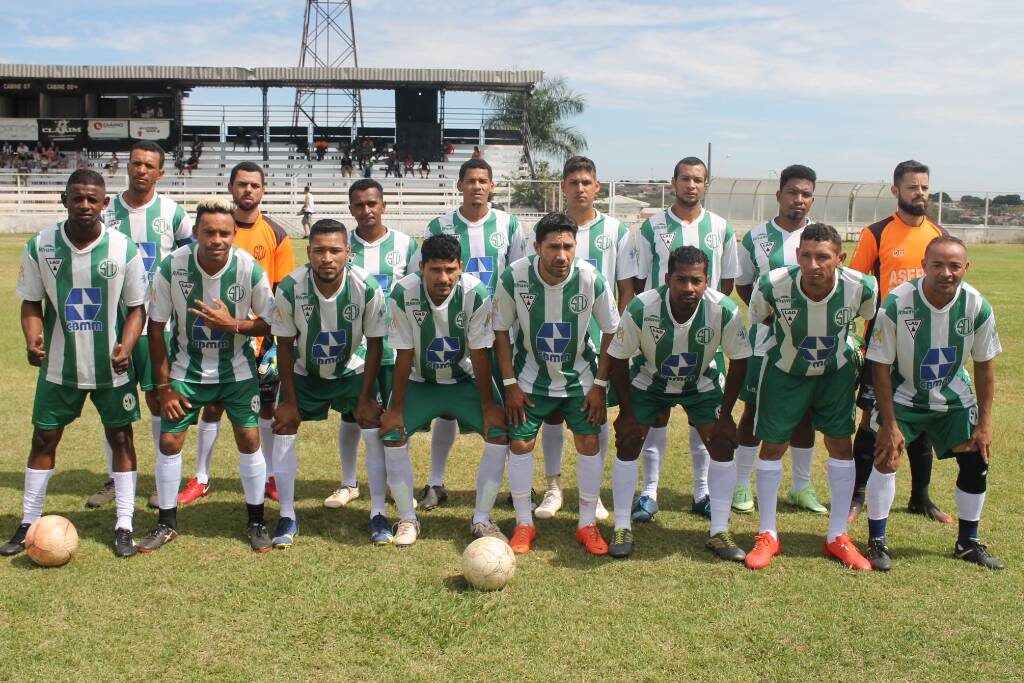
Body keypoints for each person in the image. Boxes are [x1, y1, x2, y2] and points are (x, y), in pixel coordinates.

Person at [1, 170, 147, 559]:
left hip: (111, 368)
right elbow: (31, 301)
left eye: (92, 199)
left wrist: (126, 347)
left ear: (104, 204)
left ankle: (124, 524)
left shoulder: (123, 249)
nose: (85, 205)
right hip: (59, 367)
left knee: (121, 438)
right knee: (43, 439)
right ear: (64, 200)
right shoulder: (41, 246)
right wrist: (33, 337)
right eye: (77, 198)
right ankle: (28, 522)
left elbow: (137, 309)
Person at [137, 196, 275, 553]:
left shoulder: (248, 269)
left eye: (225, 233)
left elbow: (272, 321)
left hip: (238, 371)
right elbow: (155, 328)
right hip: (186, 370)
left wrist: (236, 325)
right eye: (209, 232)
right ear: (196, 232)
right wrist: (164, 387)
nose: (218, 240)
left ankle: (256, 521)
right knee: (170, 442)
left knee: (249, 439)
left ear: (234, 235)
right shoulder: (172, 267)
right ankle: (166, 523)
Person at [865, 236, 1004, 570]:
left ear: (965, 268)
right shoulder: (898, 304)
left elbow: (985, 367)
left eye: (955, 266)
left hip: (954, 395)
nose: (946, 272)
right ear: (924, 266)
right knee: (886, 457)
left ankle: (967, 542)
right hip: (903, 393)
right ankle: (877, 542)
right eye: (937, 264)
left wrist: (984, 425)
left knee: (976, 460)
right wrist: (890, 424)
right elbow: (880, 366)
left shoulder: (977, 306)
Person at [744, 223, 877, 571]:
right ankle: (768, 533)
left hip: (835, 373)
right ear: (797, 255)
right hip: (785, 371)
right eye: (806, 255)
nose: (813, 265)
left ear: (840, 258)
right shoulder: (772, 284)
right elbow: (759, 317)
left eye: (823, 257)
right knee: (772, 446)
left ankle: (837, 536)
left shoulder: (862, 287)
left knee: (840, 445)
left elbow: (865, 319)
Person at [607, 246, 750, 560]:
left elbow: (739, 360)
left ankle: (719, 531)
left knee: (723, 443)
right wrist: (627, 413)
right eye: (681, 280)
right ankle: (621, 525)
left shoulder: (724, 309)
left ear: (706, 280)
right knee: (629, 440)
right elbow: (617, 358)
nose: (689, 288)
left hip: (701, 382)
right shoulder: (641, 308)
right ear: (668, 278)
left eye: (696, 280)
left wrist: (726, 416)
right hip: (650, 380)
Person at [493, 212, 619, 555]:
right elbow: (500, 331)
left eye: (568, 246)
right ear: (537, 247)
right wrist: (509, 385)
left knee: (589, 442)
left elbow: (611, 331)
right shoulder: (514, 277)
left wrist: (600, 385)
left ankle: (587, 524)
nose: (561, 255)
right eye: (553, 247)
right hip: (529, 379)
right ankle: (523, 524)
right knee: (519, 445)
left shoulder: (591, 278)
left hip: (580, 379)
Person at [409, 158, 527, 510]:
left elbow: (518, 276)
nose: (477, 186)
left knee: (508, 408)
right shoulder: (440, 225)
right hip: (452, 331)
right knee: (447, 409)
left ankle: (515, 486)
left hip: (499, 332)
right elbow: (423, 276)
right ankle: (435, 482)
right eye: (471, 180)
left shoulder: (509, 224)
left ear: (492, 186)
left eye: (483, 180)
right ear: (459, 186)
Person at [380, 234, 510, 546]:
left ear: (460, 267)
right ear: (421, 267)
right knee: (393, 434)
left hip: (463, 379)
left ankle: (481, 518)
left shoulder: (476, 293)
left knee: (499, 432)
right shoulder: (402, 293)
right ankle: (407, 519)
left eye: (450, 270)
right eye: (435, 270)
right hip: (419, 380)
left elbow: (480, 354)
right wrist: (395, 409)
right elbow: (404, 354)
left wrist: (490, 405)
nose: (443, 278)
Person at [178, 162, 295, 506]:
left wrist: (270, 343)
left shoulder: (276, 233)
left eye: (255, 185)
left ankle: (270, 474)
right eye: (242, 184)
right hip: (209, 341)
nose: (248, 190)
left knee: (266, 408)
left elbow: (280, 291)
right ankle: (201, 476)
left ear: (263, 191)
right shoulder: (216, 227)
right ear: (230, 187)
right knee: (211, 406)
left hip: (259, 339)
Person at [85, 140, 194, 511]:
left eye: (149, 165)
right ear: (127, 168)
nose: (141, 170)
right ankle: (117, 478)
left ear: (161, 172)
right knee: (115, 403)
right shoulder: (107, 210)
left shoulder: (174, 213)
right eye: (136, 163)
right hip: (111, 325)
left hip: (156, 326)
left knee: (159, 400)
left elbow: (188, 260)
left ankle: (163, 479)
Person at [632, 156, 739, 523]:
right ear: (673, 182)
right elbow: (638, 279)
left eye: (698, 179)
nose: (691, 185)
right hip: (657, 334)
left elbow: (725, 283)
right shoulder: (652, 227)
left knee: (703, 417)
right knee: (656, 414)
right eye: (684, 179)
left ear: (706, 184)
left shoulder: (722, 228)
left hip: (703, 336)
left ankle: (703, 490)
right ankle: (649, 491)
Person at [270, 219, 386, 548]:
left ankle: (378, 512)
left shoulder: (366, 286)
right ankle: (287, 515)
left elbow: (376, 344)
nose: (327, 258)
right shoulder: (291, 287)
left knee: (370, 424)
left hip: (351, 370)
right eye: (319, 250)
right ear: (308, 253)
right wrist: (289, 402)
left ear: (348, 253)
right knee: (284, 426)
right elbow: (284, 345)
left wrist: (366, 397)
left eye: (335, 250)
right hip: (305, 373)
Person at [536, 156, 639, 521]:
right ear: (563, 186)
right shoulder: (545, 231)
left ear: (597, 187)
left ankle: (591, 494)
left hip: (600, 339)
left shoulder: (616, 231)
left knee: (595, 414)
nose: (580, 188)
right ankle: (552, 487)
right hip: (550, 338)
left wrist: (619, 332)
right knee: (549, 415)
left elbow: (626, 287)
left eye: (586, 182)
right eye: (573, 182)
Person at [848, 160, 952, 524]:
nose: (920, 193)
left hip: (924, 347)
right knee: (871, 420)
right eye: (912, 187)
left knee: (922, 416)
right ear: (896, 191)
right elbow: (857, 287)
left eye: (924, 187)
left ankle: (920, 497)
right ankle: (858, 494)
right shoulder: (875, 233)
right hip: (882, 346)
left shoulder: (938, 234)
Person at [323, 179, 417, 539]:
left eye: (372, 203)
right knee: (352, 414)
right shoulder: (342, 247)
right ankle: (349, 483)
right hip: (354, 349)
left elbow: (412, 294)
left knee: (391, 418)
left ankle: (393, 483)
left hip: (394, 346)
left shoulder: (406, 245)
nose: (367, 210)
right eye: (359, 205)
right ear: (351, 209)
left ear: (384, 205)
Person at [731, 165, 825, 515]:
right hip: (765, 342)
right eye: (792, 192)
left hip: (810, 342)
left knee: (804, 413)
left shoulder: (819, 238)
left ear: (812, 198)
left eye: (806, 194)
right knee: (754, 410)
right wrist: (768, 314)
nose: (798, 199)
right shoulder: (756, 238)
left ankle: (801, 487)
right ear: (779, 195)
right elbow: (744, 284)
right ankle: (742, 483)